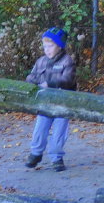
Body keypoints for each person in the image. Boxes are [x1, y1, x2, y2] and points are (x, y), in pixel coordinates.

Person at [25, 26, 76, 171]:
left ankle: (56, 157)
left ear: (59, 46)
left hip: (63, 104)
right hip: (44, 104)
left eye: (50, 46)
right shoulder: (41, 61)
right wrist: (34, 82)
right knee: (40, 129)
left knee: (59, 132)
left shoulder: (68, 61)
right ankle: (36, 153)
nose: (47, 49)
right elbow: (31, 76)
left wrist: (50, 83)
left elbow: (68, 80)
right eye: (44, 46)